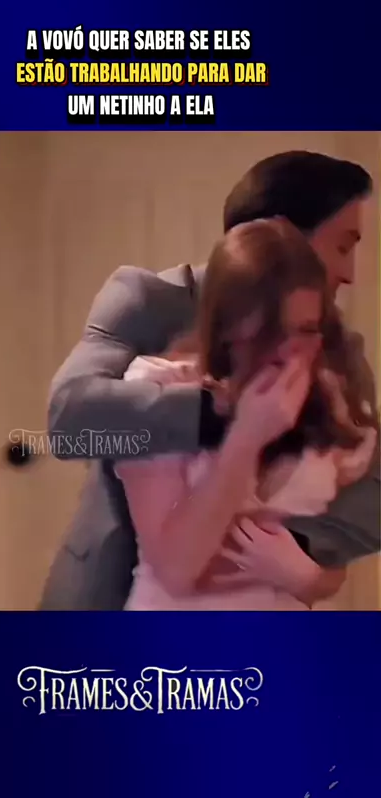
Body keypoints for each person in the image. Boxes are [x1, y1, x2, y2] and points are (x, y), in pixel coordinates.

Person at [40, 151, 380, 611]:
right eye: (342, 245)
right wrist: (227, 414)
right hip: (105, 597)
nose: (349, 274)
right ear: (278, 231)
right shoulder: (146, 301)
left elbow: (369, 491)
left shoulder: (333, 346)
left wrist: (301, 560)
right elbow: (70, 424)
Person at [115, 220, 377, 610]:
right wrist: (246, 438)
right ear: (226, 327)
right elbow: (175, 569)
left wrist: (307, 577)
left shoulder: (326, 395)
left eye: (306, 329)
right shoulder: (155, 390)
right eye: (272, 331)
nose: (290, 351)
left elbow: (333, 550)